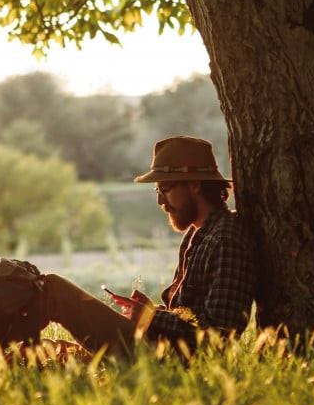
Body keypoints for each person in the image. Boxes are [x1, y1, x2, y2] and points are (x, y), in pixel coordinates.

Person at [35, 135, 255, 358]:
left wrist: (150, 317)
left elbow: (218, 335)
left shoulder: (227, 239)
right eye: (157, 191)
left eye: (165, 189)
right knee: (42, 352)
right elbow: (187, 316)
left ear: (195, 185)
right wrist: (152, 312)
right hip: (158, 346)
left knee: (54, 289)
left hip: (171, 359)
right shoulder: (195, 234)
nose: (160, 202)